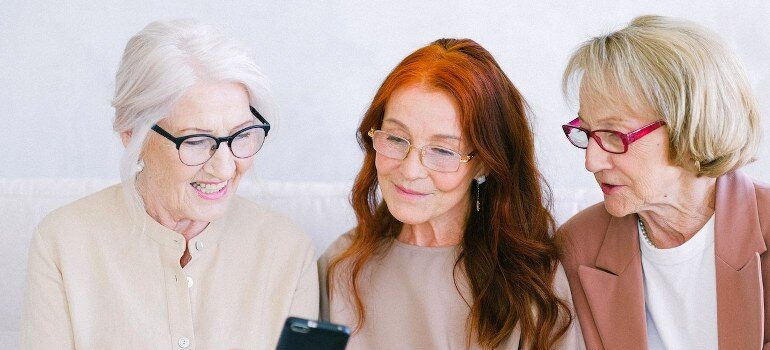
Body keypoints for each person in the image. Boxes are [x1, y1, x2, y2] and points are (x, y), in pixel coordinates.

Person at [21, 19, 318, 349]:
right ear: (131, 134)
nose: (224, 167)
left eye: (242, 135)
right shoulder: (63, 241)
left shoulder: (286, 248)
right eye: (195, 141)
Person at [319, 38, 583, 349]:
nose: (410, 170)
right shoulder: (341, 265)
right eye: (395, 138)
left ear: (485, 163)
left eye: (443, 151)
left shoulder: (532, 281)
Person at [557, 15, 767, 349]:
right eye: (586, 133)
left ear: (691, 125)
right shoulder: (577, 247)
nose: (591, 161)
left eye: (613, 135)